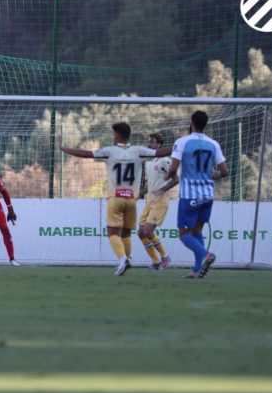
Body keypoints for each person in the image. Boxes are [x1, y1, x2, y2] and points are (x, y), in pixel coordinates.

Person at [58, 123, 170, 276]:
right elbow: (161, 152)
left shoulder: (109, 151)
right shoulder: (138, 151)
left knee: (112, 232)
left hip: (116, 197)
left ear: (117, 135)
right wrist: (181, 147)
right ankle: (129, 257)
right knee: (127, 233)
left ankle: (123, 259)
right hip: (131, 199)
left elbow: (86, 154)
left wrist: (64, 149)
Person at [165, 111, 228, 279]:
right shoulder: (213, 143)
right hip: (207, 196)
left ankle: (207, 255)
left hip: (190, 196)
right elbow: (224, 171)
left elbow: (172, 169)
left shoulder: (182, 142)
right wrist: (213, 175)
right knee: (196, 232)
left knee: (184, 235)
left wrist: (168, 175)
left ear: (191, 122)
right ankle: (197, 270)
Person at [137, 133, 178, 270]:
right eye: (147, 142)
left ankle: (165, 257)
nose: (148, 144)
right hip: (149, 201)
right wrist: (139, 194)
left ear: (159, 145)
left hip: (160, 202)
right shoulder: (149, 161)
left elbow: (175, 179)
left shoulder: (164, 161)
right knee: (141, 232)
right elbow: (150, 184)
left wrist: (162, 190)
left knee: (148, 231)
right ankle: (155, 261)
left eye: (152, 142)